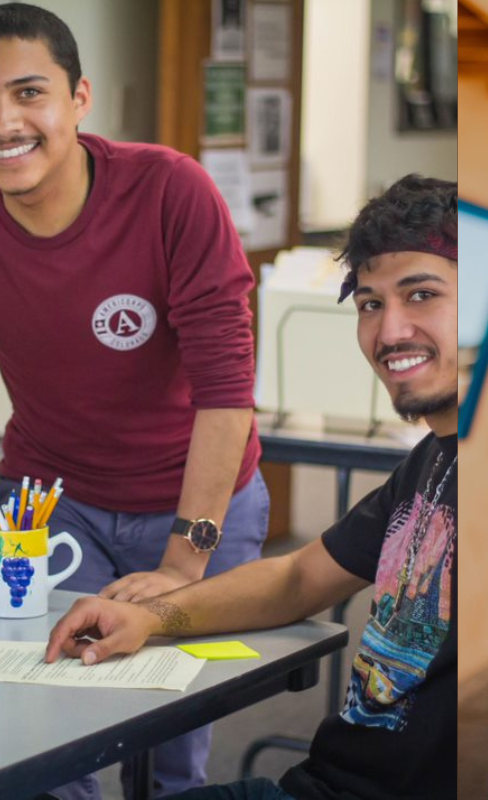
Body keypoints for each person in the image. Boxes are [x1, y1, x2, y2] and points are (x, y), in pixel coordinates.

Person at [0, 4, 267, 795]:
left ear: (79, 99)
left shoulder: (169, 191)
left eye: (28, 93)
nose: (3, 122)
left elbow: (226, 395)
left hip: (192, 500)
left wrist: (185, 562)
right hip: (50, 502)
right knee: (43, 728)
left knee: (171, 748)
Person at [45, 175, 461, 800]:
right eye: (371, 304)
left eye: (422, 294)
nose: (389, 330)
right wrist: (147, 617)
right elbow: (298, 578)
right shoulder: (433, 460)